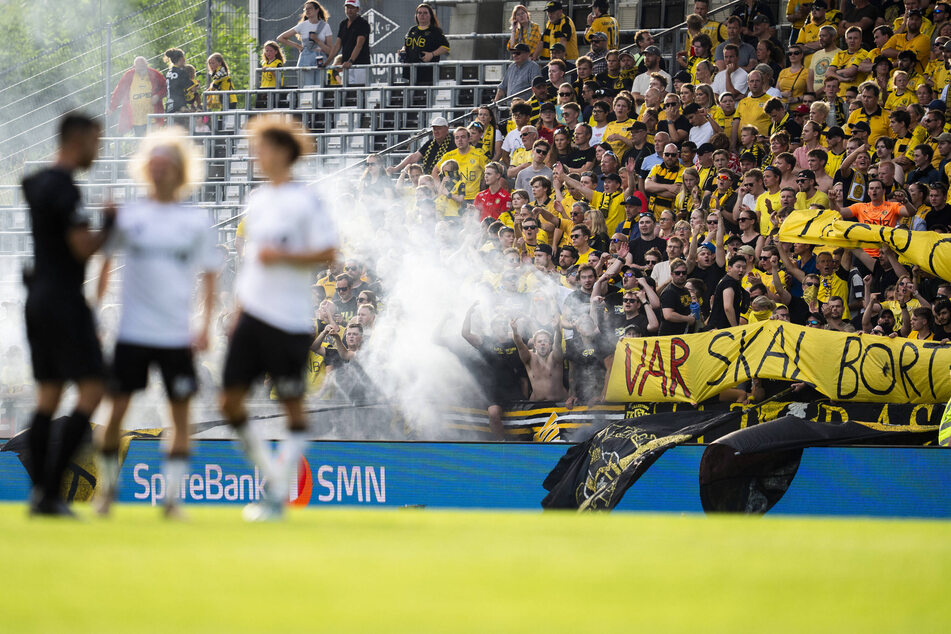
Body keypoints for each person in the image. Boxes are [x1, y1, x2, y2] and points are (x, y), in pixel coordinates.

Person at [93, 130, 218, 518]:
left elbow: (211, 275)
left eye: (168, 163)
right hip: (132, 332)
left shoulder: (195, 221)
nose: (160, 169)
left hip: (176, 335)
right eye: (155, 162)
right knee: (115, 413)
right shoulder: (130, 216)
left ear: (181, 170)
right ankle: (107, 491)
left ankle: (171, 500)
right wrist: (93, 313)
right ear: (146, 168)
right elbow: (104, 263)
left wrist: (205, 326)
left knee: (179, 416)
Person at [219, 116, 338, 521]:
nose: (257, 155)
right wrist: (237, 311)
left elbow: (329, 252)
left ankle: (275, 495)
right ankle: (273, 478)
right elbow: (254, 263)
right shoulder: (257, 200)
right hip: (252, 314)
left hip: (288, 320)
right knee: (228, 400)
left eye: (263, 148)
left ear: (283, 153)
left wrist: (283, 257)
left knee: (293, 409)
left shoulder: (306, 200)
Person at [22, 114, 114, 515]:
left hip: (38, 297)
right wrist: (110, 224)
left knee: (48, 396)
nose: (100, 149)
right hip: (63, 300)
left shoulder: (38, 183)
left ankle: (42, 493)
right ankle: (51, 489)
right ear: (77, 140)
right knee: (93, 390)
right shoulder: (66, 189)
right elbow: (81, 248)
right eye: (96, 141)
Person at [278, 1, 333, 88]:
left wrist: (317, 40)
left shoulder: (325, 26)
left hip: (321, 60)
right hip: (306, 59)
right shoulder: (302, 25)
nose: (307, 11)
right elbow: (281, 38)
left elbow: (330, 51)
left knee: (320, 88)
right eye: (305, 9)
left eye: (310, 8)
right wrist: (298, 46)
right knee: (306, 87)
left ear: (317, 10)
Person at [109, 56, 167, 136]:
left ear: (147, 65)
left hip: (152, 116)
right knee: (140, 141)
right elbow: (119, 92)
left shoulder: (155, 74)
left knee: (152, 140)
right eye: (139, 68)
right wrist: (112, 107)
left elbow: (166, 87)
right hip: (136, 118)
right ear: (134, 67)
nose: (141, 71)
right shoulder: (129, 75)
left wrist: (158, 96)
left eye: (143, 68)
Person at [399, 3, 450, 86]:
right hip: (410, 71)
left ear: (430, 15)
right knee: (409, 97)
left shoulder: (435, 31)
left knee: (424, 97)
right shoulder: (412, 29)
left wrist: (432, 54)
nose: (422, 15)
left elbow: (445, 47)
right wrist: (403, 50)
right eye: (419, 13)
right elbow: (406, 45)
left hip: (427, 73)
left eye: (425, 13)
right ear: (416, 15)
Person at [328, 0, 371, 85]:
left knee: (359, 92)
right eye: (347, 7)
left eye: (352, 8)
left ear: (358, 9)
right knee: (347, 94)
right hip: (346, 66)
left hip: (360, 65)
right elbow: (337, 45)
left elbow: (359, 45)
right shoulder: (343, 24)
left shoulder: (363, 23)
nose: (349, 10)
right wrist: (327, 62)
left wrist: (350, 61)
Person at [708, 255, 750, 329]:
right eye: (738, 267)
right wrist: (735, 328)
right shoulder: (729, 282)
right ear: (729, 268)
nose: (741, 270)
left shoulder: (733, 282)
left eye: (744, 268)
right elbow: (728, 307)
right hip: (721, 329)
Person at [257, 41, 287, 109]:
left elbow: (279, 76)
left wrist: (271, 70)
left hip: (273, 88)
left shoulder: (278, 63)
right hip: (264, 88)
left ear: (276, 52)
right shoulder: (264, 63)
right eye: (267, 51)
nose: (268, 53)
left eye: (271, 51)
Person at [163, 48, 189, 114]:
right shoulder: (181, 72)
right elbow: (191, 87)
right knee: (182, 123)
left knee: (171, 124)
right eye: (184, 57)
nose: (185, 60)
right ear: (181, 59)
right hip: (179, 104)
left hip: (169, 103)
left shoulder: (169, 72)